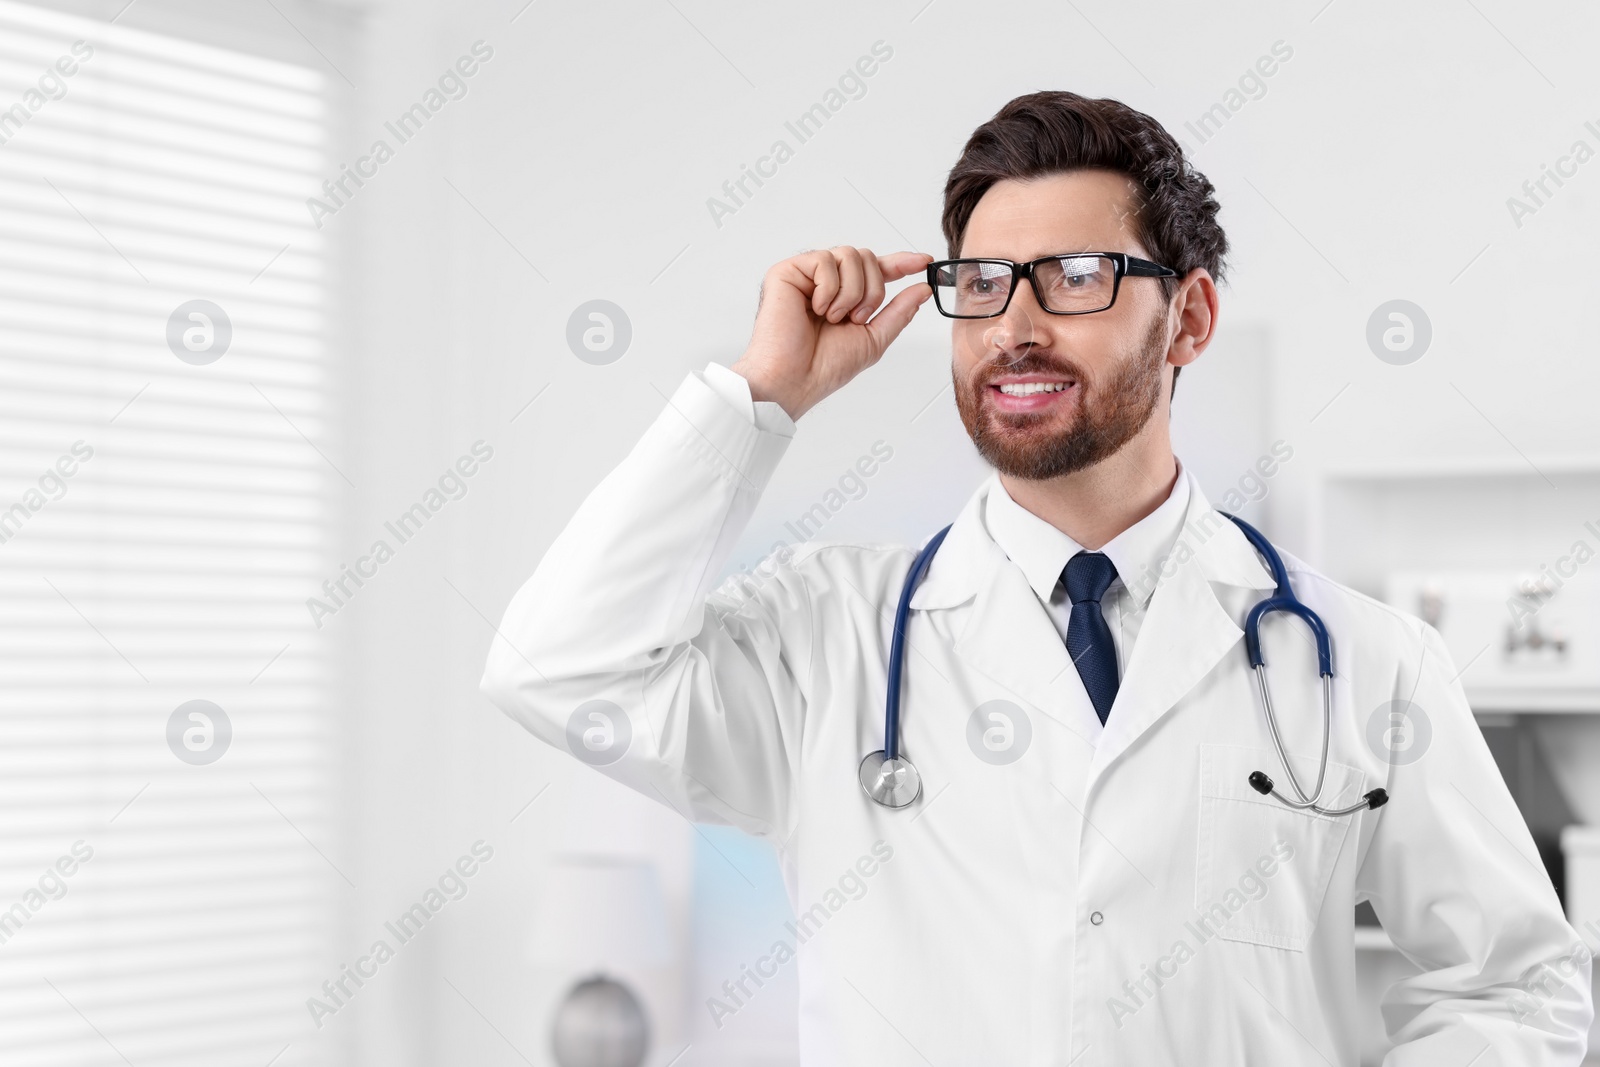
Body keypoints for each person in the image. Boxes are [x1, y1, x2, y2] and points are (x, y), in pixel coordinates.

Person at [481, 91, 1593, 1064]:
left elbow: (1519, 982)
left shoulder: (1366, 659)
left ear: (1189, 318)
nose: (1013, 328)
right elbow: (558, 669)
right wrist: (760, 394)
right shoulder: (828, 634)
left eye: (1073, 279)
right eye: (982, 282)